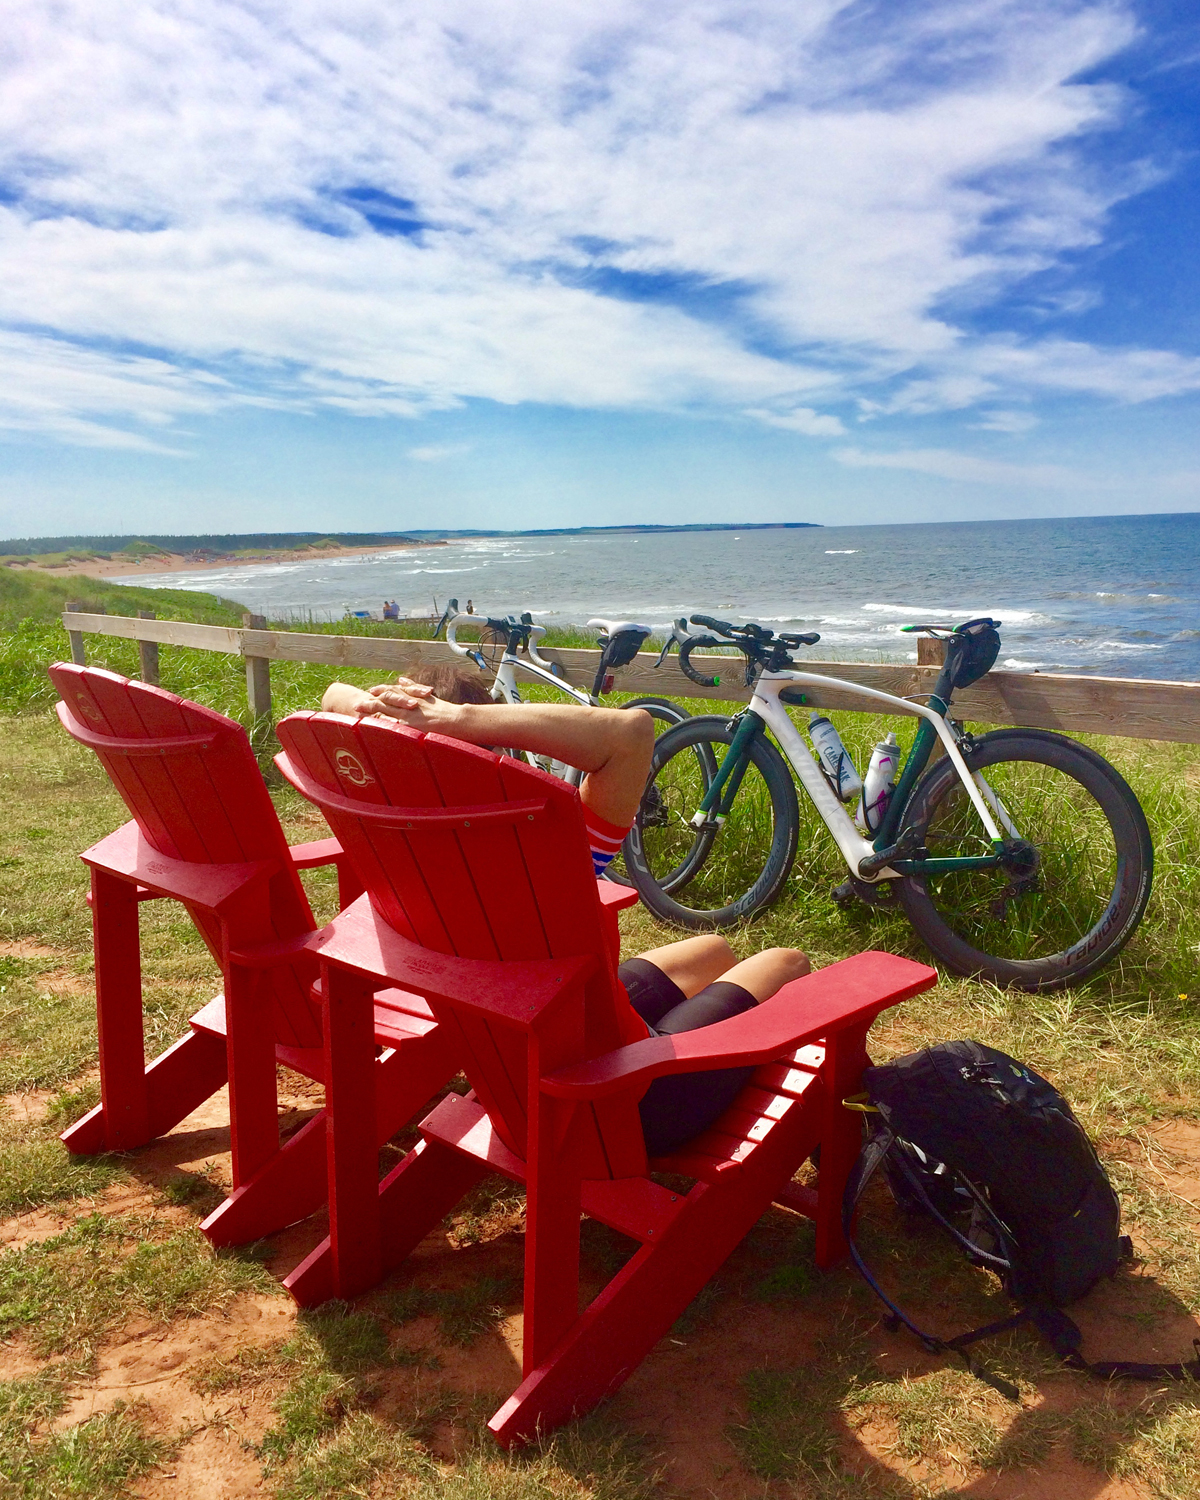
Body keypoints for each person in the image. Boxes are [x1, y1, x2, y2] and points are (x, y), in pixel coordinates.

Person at [321, 667, 810, 1155]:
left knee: (713, 949)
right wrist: (462, 718)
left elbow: (332, 693)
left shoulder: (391, 850)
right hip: (630, 1103)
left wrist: (395, 718)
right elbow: (632, 730)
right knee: (788, 962)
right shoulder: (553, 850)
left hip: (509, 1080)